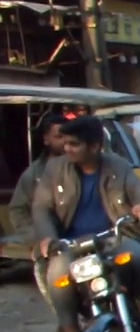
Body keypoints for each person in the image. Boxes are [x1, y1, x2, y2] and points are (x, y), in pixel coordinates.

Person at [32, 116, 140, 332]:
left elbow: (139, 190)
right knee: (57, 274)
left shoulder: (119, 166)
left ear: (94, 146)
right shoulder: (55, 169)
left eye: (74, 144)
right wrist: (48, 237)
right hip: (71, 244)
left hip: (113, 239)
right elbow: (41, 208)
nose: (66, 148)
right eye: (65, 143)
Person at [9, 114, 70, 307]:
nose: (65, 142)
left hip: (80, 236)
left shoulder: (80, 166)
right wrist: (37, 237)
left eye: (68, 137)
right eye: (59, 136)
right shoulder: (33, 175)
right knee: (50, 276)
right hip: (49, 243)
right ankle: (66, 322)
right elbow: (18, 210)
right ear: (46, 139)